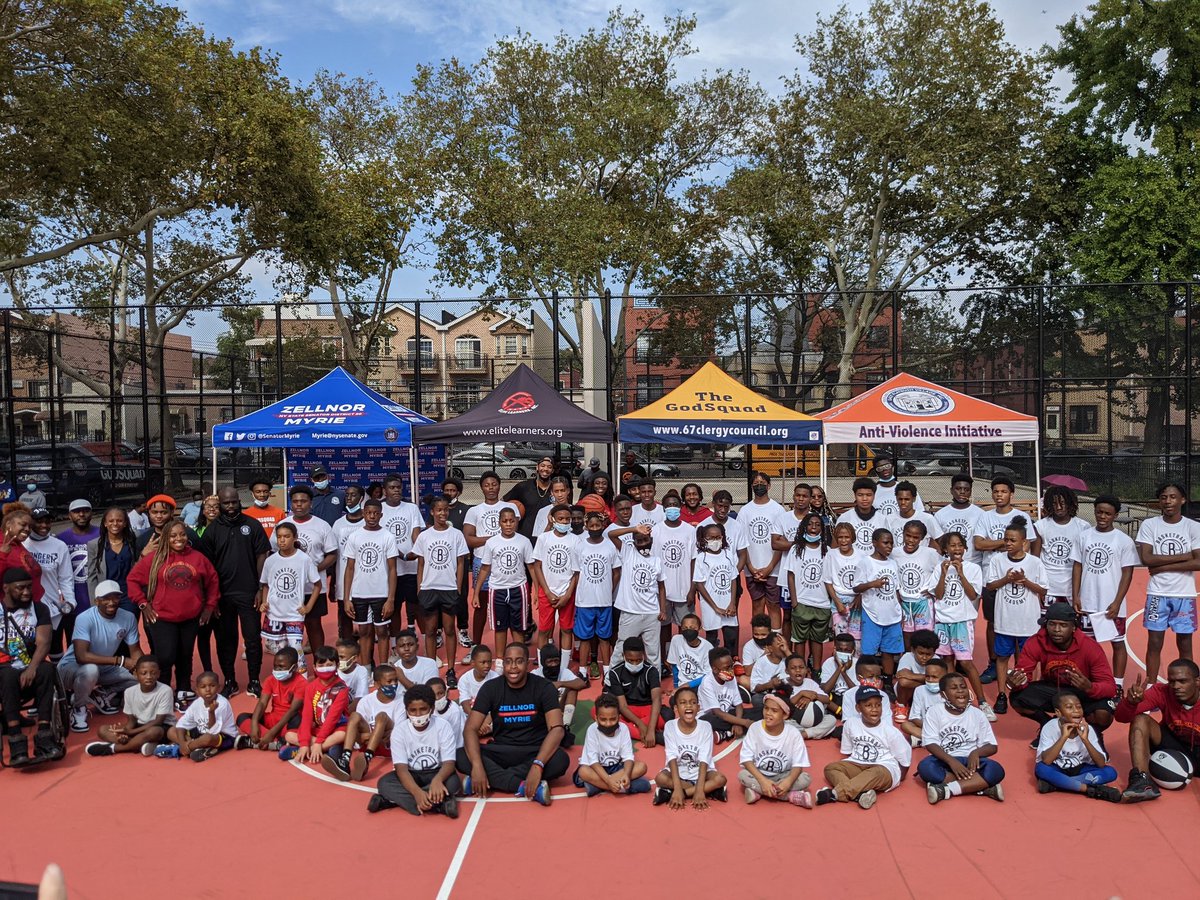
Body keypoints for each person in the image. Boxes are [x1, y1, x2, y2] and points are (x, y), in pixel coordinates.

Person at [458, 641, 569, 805]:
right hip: (501, 750)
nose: (513, 667)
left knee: (560, 760)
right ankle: (522, 786)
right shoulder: (490, 688)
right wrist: (477, 765)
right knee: (461, 755)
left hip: (534, 751)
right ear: (503, 664)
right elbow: (470, 729)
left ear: (527, 663)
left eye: (519, 661)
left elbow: (557, 730)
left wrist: (537, 765)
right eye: (508, 662)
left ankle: (491, 779)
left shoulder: (544, 687)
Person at [128, 519, 219, 705]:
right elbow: (132, 580)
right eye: (173, 536)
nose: (179, 539)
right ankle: (163, 691)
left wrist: (209, 607)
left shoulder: (198, 558)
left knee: (185, 655)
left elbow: (213, 581)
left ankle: (183, 689)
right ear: (166, 538)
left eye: (182, 534)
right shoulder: (155, 558)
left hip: (190, 617)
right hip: (162, 617)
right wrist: (143, 604)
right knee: (166, 656)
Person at [198, 487, 270, 700]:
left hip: (249, 593)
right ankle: (230, 681)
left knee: (253, 639)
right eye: (226, 503)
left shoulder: (252, 525)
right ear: (220, 504)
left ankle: (254, 681)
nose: (230, 507)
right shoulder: (212, 531)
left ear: (239, 502)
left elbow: (262, 555)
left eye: (233, 502)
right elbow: (207, 568)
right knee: (225, 641)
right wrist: (212, 599)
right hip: (222, 596)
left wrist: (259, 588)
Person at [1006, 601, 1116, 739]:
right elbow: (1022, 675)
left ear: (1073, 627)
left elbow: (1110, 687)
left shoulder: (1090, 647)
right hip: (1053, 690)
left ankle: (1093, 736)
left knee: (1103, 715)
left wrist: (1090, 687)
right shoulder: (1036, 642)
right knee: (1017, 698)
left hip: (1082, 691)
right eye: (1052, 624)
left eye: (1063, 625)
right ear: (1045, 625)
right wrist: (1015, 683)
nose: (1057, 630)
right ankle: (1048, 726)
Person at [1134, 482, 1200, 685]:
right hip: (1157, 593)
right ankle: (1151, 686)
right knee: (1154, 642)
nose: (1168, 501)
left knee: (1185, 643)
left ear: (1183, 500)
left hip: (1184, 594)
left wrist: (1162, 568)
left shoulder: (1193, 527)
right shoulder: (1150, 525)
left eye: (1172, 497)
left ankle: (1188, 685)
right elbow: (1147, 558)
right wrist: (1185, 556)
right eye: (1164, 497)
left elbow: (1198, 562)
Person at [1071, 495, 1138, 692]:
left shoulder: (1124, 541)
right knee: (1085, 645)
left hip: (1111, 604)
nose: (1102, 516)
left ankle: (1117, 686)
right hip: (1087, 602)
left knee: (1117, 643)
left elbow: (1127, 573)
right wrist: (1075, 595)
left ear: (1115, 515)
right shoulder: (1084, 536)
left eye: (1108, 513)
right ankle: (1087, 683)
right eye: (1099, 512)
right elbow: (1077, 566)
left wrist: (1117, 601)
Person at [58, 579, 142, 733]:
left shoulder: (128, 617)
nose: (111, 602)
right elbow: (81, 656)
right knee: (90, 670)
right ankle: (78, 709)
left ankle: (101, 693)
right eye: (106, 598)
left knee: (143, 675)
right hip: (70, 668)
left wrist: (142, 667)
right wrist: (120, 660)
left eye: (115, 597)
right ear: (97, 601)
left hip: (103, 667)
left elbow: (136, 651)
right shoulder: (84, 618)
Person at [986, 516, 1048, 715]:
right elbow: (990, 586)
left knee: (1027, 659)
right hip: (1005, 620)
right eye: (1006, 539)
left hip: (1027, 621)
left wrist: (1024, 581)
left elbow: (1043, 590)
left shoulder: (1035, 563)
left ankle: (1026, 691)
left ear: (1024, 542)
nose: (1008, 543)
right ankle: (1001, 694)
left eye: (1013, 540)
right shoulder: (997, 560)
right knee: (1002, 657)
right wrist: (1006, 579)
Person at [925, 531, 990, 718]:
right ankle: (953, 699)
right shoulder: (940, 568)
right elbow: (938, 594)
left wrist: (961, 573)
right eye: (952, 545)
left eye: (960, 545)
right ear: (946, 549)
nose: (957, 549)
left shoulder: (973, 568)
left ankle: (982, 702)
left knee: (965, 662)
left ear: (965, 548)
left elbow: (973, 595)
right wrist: (943, 574)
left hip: (961, 621)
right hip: (942, 621)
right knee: (947, 661)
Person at [370, 683, 461, 816]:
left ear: (432, 709)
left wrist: (437, 781)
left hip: (436, 772)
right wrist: (417, 793)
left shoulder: (443, 726)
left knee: (453, 782)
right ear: (407, 710)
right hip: (411, 774)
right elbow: (401, 769)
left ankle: (391, 801)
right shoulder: (399, 731)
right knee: (384, 783)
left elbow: (449, 763)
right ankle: (438, 805)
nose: (418, 715)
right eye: (413, 710)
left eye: (423, 709)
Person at [1116, 660, 1200, 802]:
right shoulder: (1163, 691)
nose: (1176, 687)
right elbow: (1121, 717)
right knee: (1140, 719)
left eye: (1182, 681)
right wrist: (1130, 703)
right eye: (1172, 681)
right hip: (1173, 746)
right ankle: (1142, 781)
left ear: (1197, 682)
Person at [0, 567, 60, 765]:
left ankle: (44, 734)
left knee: (47, 669)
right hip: (4, 669)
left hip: (29, 665)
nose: (26, 592)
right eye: (20, 588)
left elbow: (44, 642)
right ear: (6, 588)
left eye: (29, 587)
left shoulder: (39, 609)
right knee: (7, 675)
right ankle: (16, 739)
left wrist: (32, 668)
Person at [817, 687, 911, 809]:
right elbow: (848, 752)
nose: (874, 709)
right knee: (831, 768)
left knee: (876, 772)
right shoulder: (851, 723)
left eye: (878, 705)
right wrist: (854, 770)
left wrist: (895, 779)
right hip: (858, 764)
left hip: (882, 768)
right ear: (858, 708)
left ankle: (834, 794)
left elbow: (905, 763)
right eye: (868, 705)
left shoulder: (890, 731)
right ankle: (860, 794)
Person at [921, 671, 1005, 804]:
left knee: (996, 770)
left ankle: (947, 790)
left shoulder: (977, 714)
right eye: (954, 688)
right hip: (945, 760)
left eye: (963, 687)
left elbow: (992, 746)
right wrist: (952, 762)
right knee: (926, 768)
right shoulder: (934, 711)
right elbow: (930, 743)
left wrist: (975, 753)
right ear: (943, 695)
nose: (960, 691)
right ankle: (980, 786)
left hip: (971, 762)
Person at [273, 485, 338, 655]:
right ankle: (292, 665)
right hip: (288, 588)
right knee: (289, 628)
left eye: (303, 501)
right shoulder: (282, 525)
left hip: (314, 587)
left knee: (314, 624)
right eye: (295, 501)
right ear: (291, 503)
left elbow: (332, 554)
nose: (299, 505)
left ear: (311, 503)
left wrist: (313, 570)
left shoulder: (322, 526)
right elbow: (273, 552)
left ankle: (320, 662)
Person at [972, 476, 1024, 684]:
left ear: (1012, 494)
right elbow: (979, 544)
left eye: (1003, 491)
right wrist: (1007, 543)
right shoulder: (985, 517)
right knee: (993, 622)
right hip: (991, 578)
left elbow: (1026, 545)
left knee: (1017, 623)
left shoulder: (1021, 517)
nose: (999, 495)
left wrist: (994, 543)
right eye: (996, 491)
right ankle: (994, 664)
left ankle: (1021, 668)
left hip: (1016, 579)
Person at [411, 495, 469, 681]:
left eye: (445, 510)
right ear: (432, 512)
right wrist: (420, 588)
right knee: (430, 630)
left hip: (449, 588)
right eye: (439, 510)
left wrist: (458, 587)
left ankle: (451, 669)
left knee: (450, 629)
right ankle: (431, 670)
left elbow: (461, 563)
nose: (442, 513)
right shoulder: (424, 536)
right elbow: (421, 563)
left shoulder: (456, 534)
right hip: (429, 588)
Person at [463, 472, 520, 654]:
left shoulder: (510, 507)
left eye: (494, 484)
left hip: (507, 560)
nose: (491, 488)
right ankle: (476, 646)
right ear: (482, 487)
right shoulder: (474, 511)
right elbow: (469, 539)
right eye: (487, 485)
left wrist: (496, 540)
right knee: (481, 605)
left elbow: (514, 534)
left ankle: (517, 647)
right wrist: (494, 539)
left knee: (511, 605)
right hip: (482, 561)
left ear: (499, 485)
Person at [1034, 691, 1121, 802]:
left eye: (1079, 707)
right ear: (1058, 712)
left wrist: (1085, 740)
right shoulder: (1050, 727)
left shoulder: (1087, 729)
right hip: (1058, 768)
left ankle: (1058, 784)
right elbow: (1046, 760)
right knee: (1041, 769)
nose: (1076, 710)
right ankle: (1089, 789)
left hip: (1081, 769)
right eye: (1069, 707)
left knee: (1110, 772)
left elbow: (1101, 763)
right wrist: (1063, 737)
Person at [342, 498, 399, 667]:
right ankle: (366, 669)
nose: (372, 516)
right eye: (368, 513)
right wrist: (346, 598)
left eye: (375, 513)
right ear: (363, 514)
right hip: (360, 593)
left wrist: (391, 599)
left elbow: (393, 569)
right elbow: (349, 569)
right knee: (364, 632)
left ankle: (383, 668)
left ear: (381, 515)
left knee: (382, 631)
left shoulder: (388, 536)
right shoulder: (355, 536)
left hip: (381, 593)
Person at [258, 521, 321, 675]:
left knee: (296, 649)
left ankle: (302, 678)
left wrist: (308, 607)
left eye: (286, 536)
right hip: (274, 615)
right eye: (279, 537)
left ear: (295, 537)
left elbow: (317, 585)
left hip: (294, 614)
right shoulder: (270, 560)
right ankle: (285, 679)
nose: (282, 540)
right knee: (280, 652)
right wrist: (265, 602)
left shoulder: (304, 559)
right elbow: (266, 585)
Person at [324, 663, 400, 782]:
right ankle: (345, 760)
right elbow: (359, 736)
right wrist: (375, 735)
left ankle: (367, 758)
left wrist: (370, 736)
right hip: (368, 741)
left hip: (388, 746)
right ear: (377, 684)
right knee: (354, 716)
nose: (393, 684)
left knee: (382, 716)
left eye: (396, 680)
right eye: (389, 681)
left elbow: (399, 733)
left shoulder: (401, 701)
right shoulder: (366, 701)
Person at [653, 686, 727, 808]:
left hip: (702, 772)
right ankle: (709, 791)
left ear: (698, 707)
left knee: (720, 779)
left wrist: (697, 790)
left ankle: (680, 793)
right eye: (683, 703)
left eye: (693, 702)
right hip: (678, 772)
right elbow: (671, 756)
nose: (688, 706)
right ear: (676, 708)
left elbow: (704, 758)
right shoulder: (670, 726)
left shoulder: (705, 727)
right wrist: (678, 787)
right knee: (660, 778)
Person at [84, 654, 171, 757]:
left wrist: (130, 732)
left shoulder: (165, 690)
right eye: (144, 673)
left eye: (153, 673)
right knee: (102, 730)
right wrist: (123, 734)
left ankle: (114, 748)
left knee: (154, 732)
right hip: (139, 727)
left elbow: (158, 721)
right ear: (135, 674)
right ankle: (138, 744)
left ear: (158, 674)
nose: (148, 677)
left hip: (160, 727)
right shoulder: (129, 692)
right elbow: (131, 721)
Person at [476, 508, 536, 652]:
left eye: (511, 521)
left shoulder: (524, 541)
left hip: (518, 588)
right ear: (499, 523)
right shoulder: (491, 542)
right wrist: (477, 592)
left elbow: (531, 567)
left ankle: (520, 657)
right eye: (505, 521)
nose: (508, 524)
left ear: (516, 522)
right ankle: (499, 660)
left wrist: (537, 591)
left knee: (518, 628)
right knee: (500, 628)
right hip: (497, 589)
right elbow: (485, 568)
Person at [740, 693, 813, 807]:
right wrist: (763, 781)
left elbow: (799, 764)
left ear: (785, 715)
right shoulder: (755, 728)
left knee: (805, 778)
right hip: (759, 774)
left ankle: (758, 792)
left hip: (783, 775)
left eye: (774, 710)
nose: (768, 713)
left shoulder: (793, 733)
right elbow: (746, 759)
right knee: (742, 775)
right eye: (766, 708)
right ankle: (790, 796)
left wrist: (788, 782)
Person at [611, 525, 667, 670]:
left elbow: (661, 587)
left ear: (651, 540)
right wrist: (634, 529)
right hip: (630, 612)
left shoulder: (657, 561)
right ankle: (610, 679)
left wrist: (662, 609)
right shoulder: (628, 553)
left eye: (645, 540)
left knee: (653, 653)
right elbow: (612, 534)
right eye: (639, 541)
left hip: (652, 614)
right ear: (634, 543)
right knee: (621, 648)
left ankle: (654, 681)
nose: (643, 543)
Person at [574, 693, 652, 797]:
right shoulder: (592, 730)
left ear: (619, 718)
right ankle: (620, 788)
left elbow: (628, 757)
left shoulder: (623, 729)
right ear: (596, 718)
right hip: (596, 769)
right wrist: (608, 780)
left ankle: (598, 786)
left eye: (612, 719)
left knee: (641, 767)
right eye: (603, 719)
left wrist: (626, 774)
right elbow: (593, 761)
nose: (608, 724)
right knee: (583, 772)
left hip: (616, 768)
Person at [573, 511, 620, 679]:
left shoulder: (610, 546)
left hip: (604, 601)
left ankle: (607, 671)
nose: (594, 528)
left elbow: (616, 572)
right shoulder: (580, 546)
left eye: (597, 525)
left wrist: (609, 590)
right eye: (591, 525)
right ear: (586, 526)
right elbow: (576, 573)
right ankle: (582, 671)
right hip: (584, 601)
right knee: (584, 638)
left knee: (604, 638)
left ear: (603, 526)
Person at [154, 671, 238, 761]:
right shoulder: (197, 703)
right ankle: (194, 748)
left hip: (223, 736)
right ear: (197, 690)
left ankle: (179, 750)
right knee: (172, 731)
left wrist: (211, 712)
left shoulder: (222, 704)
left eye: (212, 686)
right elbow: (181, 724)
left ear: (218, 687)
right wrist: (182, 743)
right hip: (201, 734)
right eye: (203, 687)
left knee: (207, 738)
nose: (208, 689)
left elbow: (213, 731)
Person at [852, 528, 903, 677]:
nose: (889, 546)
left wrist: (900, 609)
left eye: (891, 543)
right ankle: (868, 679)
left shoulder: (893, 563)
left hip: (892, 615)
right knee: (869, 652)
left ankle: (887, 682)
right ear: (874, 543)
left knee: (889, 652)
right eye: (885, 543)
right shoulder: (866, 562)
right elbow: (856, 587)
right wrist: (872, 584)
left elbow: (896, 589)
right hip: (872, 614)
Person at [531, 502, 579, 654]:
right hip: (547, 591)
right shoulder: (543, 538)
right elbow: (537, 566)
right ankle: (542, 663)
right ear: (552, 519)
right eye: (561, 519)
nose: (564, 522)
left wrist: (568, 594)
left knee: (566, 629)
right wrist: (546, 591)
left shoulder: (575, 540)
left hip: (566, 592)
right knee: (544, 630)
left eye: (567, 519)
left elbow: (577, 571)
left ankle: (564, 664)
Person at [740, 471, 786, 630]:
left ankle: (775, 638)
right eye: (756, 484)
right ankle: (758, 639)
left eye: (762, 483)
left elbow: (780, 541)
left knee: (773, 605)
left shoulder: (778, 510)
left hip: (773, 568)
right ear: (751, 486)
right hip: (752, 569)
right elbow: (742, 542)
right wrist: (751, 567)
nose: (759, 486)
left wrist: (769, 568)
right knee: (757, 604)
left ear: (769, 486)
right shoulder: (745, 511)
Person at [237, 647, 306, 751]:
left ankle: (257, 741)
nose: (277, 669)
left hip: (288, 722)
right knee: (242, 717)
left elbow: (293, 710)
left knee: (298, 720)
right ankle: (275, 742)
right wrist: (254, 723)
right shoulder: (270, 680)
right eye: (275, 666)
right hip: (273, 719)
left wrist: (271, 733)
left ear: (294, 667)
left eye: (281, 666)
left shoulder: (302, 683)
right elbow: (262, 703)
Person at [379, 473, 423, 635]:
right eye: (392, 488)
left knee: (417, 607)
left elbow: (416, 533)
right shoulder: (379, 509)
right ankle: (394, 644)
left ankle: (425, 642)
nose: (396, 490)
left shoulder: (411, 508)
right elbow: (380, 537)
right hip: (390, 569)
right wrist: (398, 554)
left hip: (412, 568)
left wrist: (415, 551)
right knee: (394, 608)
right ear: (385, 491)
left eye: (398, 487)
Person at [291, 646, 350, 764]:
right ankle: (320, 748)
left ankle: (311, 750)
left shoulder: (342, 688)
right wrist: (304, 743)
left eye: (329, 665)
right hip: (318, 729)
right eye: (321, 665)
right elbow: (307, 716)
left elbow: (333, 718)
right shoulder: (310, 687)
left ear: (337, 665)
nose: (325, 668)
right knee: (289, 735)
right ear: (314, 667)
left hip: (336, 728)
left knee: (343, 735)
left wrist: (318, 742)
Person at [788, 512, 832, 669]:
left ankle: (816, 670)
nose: (814, 527)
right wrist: (794, 601)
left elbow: (830, 577)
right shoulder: (796, 549)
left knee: (818, 640)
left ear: (822, 529)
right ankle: (800, 669)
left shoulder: (827, 550)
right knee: (799, 640)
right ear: (804, 527)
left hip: (822, 603)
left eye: (818, 524)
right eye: (810, 524)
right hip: (802, 602)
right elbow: (791, 575)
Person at [1033, 486, 1089, 607]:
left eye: (1062, 503)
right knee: (1048, 619)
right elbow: (1035, 560)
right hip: (1048, 586)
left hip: (1073, 587)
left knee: (1072, 618)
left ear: (1069, 503)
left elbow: (1084, 562)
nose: (1058, 507)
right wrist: (1038, 587)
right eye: (1054, 503)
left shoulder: (1083, 527)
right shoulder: (1040, 526)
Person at [56, 498, 100, 650]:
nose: (81, 514)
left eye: (85, 511)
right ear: (69, 516)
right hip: (72, 600)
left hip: (96, 598)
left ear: (91, 513)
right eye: (76, 512)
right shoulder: (60, 539)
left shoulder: (102, 534)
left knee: (99, 643)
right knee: (74, 645)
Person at [27, 506, 75, 642]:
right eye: (39, 521)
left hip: (52, 611)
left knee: (54, 648)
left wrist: (70, 602)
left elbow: (65, 578)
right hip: (26, 610)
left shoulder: (59, 545)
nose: (44, 525)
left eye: (47, 522)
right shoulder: (22, 544)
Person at [604, 636, 664, 744]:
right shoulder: (615, 673)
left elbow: (656, 700)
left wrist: (650, 729)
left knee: (668, 714)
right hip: (627, 710)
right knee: (600, 712)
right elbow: (623, 706)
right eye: (630, 661)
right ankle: (651, 734)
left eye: (638, 660)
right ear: (623, 656)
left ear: (643, 655)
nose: (635, 664)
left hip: (647, 708)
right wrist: (640, 724)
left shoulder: (651, 671)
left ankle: (633, 730)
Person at [693, 522, 740, 651]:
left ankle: (730, 659)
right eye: (711, 538)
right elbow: (699, 584)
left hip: (727, 603)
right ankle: (712, 661)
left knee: (731, 636)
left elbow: (733, 579)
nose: (715, 541)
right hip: (711, 605)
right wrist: (715, 607)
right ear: (704, 539)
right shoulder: (701, 558)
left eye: (718, 537)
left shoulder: (728, 555)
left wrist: (732, 603)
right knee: (712, 638)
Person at [441, 476, 475, 650]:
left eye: (452, 490)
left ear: (459, 492)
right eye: (447, 490)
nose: (449, 493)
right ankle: (439, 630)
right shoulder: (438, 508)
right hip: (441, 563)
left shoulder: (465, 510)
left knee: (461, 596)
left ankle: (462, 629)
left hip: (460, 561)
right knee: (440, 597)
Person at [330, 484, 366, 642]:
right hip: (343, 579)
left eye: (353, 495)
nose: (349, 498)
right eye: (347, 495)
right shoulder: (338, 524)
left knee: (366, 621)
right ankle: (347, 646)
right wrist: (333, 581)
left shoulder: (368, 522)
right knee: (345, 617)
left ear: (361, 498)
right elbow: (334, 554)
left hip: (366, 580)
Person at [86, 507, 136, 618]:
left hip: (128, 594)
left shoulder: (133, 541)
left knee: (129, 624)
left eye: (119, 520)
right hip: (106, 596)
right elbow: (92, 576)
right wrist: (94, 602)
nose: (115, 524)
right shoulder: (94, 545)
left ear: (125, 523)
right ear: (105, 523)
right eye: (111, 520)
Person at [531, 643, 585, 745]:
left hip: (560, 708)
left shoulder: (564, 671)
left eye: (556, 661)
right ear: (543, 662)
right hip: (543, 711)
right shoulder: (535, 674)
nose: (554, 665)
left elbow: (581, 683)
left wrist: (560, 683)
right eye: (550, 662)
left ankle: (565, 726)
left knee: (573, 689)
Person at [697, 647, 755, 740]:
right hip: (712, 716)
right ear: (715, 669)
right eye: (727, 668)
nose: (731, 670)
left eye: (732, 666)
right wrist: (744, 722)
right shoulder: (707, 683)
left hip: (729, 713)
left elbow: (738, 705)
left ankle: (726, 733)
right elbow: (718, 713)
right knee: (708, 721)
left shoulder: (731, 678)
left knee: (759, 711)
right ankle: (736, 730)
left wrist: (738, 722)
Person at [823, 521, 863, 644]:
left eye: (847, 537)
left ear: (852, 538)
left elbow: (865, 580)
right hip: (839, 599)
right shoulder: (831, 555)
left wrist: (860, 596)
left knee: (856, 638)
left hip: (856, 602)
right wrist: (837, 602)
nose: (844, 541)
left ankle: (855, 656)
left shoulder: (862, 555)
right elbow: (828, 581)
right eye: (840, 537)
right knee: (841, 637)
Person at [504, 456, 557, 542]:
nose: (545, 469)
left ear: (553, 470)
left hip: (548, 537)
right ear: (537, 467)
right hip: (525, 536)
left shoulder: (556, 489)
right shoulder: (523, 487)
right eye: (542, 466)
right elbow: (503, 502)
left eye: (549, 467)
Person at [934, 473, 983, 566]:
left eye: (966, 489)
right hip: (949, 563)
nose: (962, 492)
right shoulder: (940, 514)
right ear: (951, 490)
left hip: (973, 562)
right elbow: (936, 541)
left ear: (971, 492)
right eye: (958, 488)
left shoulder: (980, 514)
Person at [899, 655, 950, 744]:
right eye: (927, 676)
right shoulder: (920, 690)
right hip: (925, 726)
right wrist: (930, 727)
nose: (930, 680)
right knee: (906, 725)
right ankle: (940, 741)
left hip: (946, 728)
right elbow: (914, 717)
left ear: (945, 677)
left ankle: (923, 740)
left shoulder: (951, 692)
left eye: (934, 677)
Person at [0, 505, 44, 605]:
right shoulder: (3, 546)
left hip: (34, 605)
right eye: (23, 524)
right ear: (8, 524)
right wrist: (2, 555)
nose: (27, 529)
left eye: (30, 526)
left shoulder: (18, 545)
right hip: (11, 609)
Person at [836, 477, 890, 556]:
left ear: (874, 495)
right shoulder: (845, 518)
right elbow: (836, 545)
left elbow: (887, 544)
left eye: (868, 495)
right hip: (851, 562)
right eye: (860, 495)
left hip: (874, 562)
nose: (864, 499)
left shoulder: (882, 519)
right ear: (855, 495)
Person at [134, 494, 200, 556]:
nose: (159, 516)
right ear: (149, 513)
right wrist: (143, 554)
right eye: (155, 512)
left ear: (172, 512)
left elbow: (200, 559)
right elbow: (136, 564)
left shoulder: (187, 534)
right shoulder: (142, 539)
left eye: (164, 512)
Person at [893, 629, 940, 706]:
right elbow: (903, 681)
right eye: (921, 653)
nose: (924, 657)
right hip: (909, 692)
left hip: (927, 692)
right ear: (913, 650)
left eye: (928, 654)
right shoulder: (907, 657)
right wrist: (927, 681)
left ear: (934, 652)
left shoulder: (936, 659)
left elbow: (940, 680)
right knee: (903, 682)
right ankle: (901, 706)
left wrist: (911, 676)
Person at [666, 612, 712, 687]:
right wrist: (676, 686)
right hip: (682, 685)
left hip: (701, 685)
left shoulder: (708, 647)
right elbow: (674, 666)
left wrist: (689, 685)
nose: (688, 631)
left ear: (699, 629)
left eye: (692, 628)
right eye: (685, 628)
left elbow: (708, 675)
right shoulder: (676, 640)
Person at [872, 453, 924, 518]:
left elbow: (920, 512)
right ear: (876, 472)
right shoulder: (872, 491)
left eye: (887, 466)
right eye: (880, 468)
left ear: (892, 467)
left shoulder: (906, 488)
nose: (884, 469)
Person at [457, 643, 498, 716]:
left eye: (489, 662)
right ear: (473, 663)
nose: (487, 665)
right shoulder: (464, 679)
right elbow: (465, 702)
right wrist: (475, 719)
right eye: (483, 662)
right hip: (470, 714)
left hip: (490, 716)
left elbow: (497, 705)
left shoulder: (495, 678)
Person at [818, 632, 860, 705]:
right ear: (834, 650)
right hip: (833, 701)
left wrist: (843, 673)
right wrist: (839, 668)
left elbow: (857, 693)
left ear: (853, 651)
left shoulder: (858, 664)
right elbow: (825, 690)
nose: (843, 653)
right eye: (840, 650)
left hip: (852, 702)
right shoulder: (828, 662)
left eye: (847, 650)